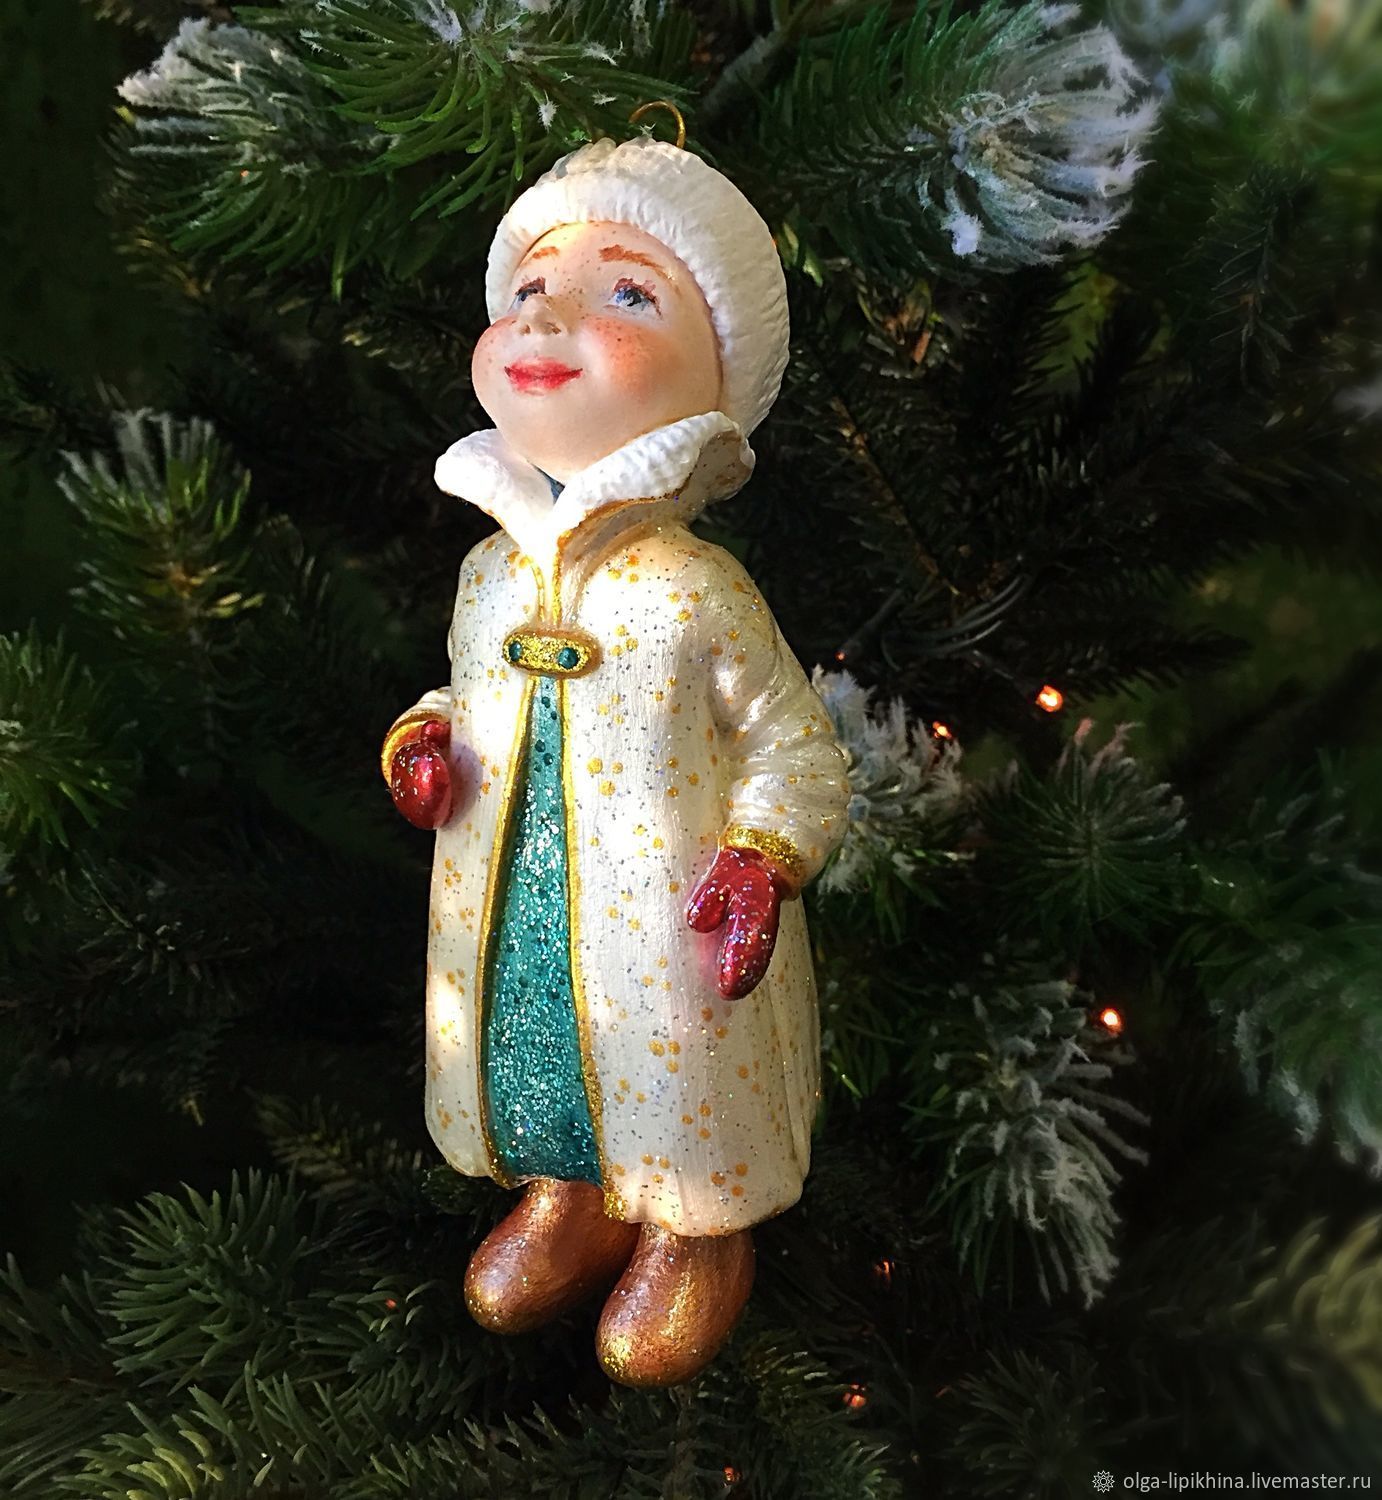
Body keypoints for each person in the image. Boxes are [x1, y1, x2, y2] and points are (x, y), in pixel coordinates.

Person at [381, 128, 851, 1386]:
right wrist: (425, 740)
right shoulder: (488, 574)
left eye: (627, 294)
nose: (549, 317)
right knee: (526, 1038)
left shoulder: (693, 588)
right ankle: (568, 1195)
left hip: (661, 917)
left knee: (673, 1061)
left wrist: (760, 859)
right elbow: (462, 690)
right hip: (510, 898)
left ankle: (695, 1232)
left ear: (713, 379)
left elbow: (789, 744)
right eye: (530, 287)